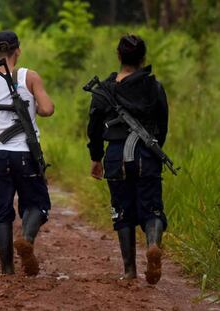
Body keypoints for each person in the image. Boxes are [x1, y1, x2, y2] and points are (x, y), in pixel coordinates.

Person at [0, 31, 54, 276]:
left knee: (1, 211)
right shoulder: (30, 77)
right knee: (37, 204)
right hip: (26, 154)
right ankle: (26, 238)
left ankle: (7, 269)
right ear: (18, 50)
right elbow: (47, 109)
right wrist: (37, 106)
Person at [87, 34, 168, 285]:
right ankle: (153, 244)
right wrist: (155, 150)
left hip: (115, 155)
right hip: (147, 154)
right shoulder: (154, 87)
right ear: (143, 57)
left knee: (122, 211)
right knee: (152, 207)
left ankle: (129, 270)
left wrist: (96, 158)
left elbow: (93, 128)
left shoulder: (104, 90)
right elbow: (163, 125)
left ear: (119, 55)